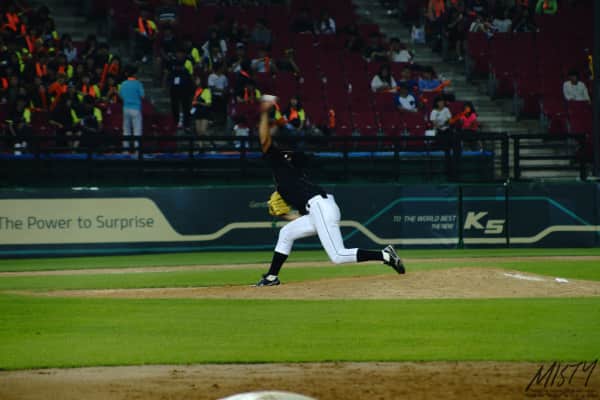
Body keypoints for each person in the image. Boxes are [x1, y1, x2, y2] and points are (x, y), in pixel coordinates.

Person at [254, 96, 405, 286]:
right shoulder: (288, 180)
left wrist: (264, 114)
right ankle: (271, 277)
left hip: (320, 206)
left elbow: (264, 140)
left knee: (338, 255)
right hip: (318, 208)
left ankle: (385, 255)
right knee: (286, 233)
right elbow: (303, 218)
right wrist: (285, 215)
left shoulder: (283, 167)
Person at [118, 65, 145, 152]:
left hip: (126, 108)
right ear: (135, 74)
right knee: (137, 131)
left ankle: (125, 150)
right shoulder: (138, 84)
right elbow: (142, 96)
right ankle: (137, 151)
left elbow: (120, 96)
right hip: (136, 109)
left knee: (126, 130)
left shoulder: (123, 84)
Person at [168, 48, 194, 128]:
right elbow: (168, 73)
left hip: (185, 87)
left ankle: (186, 124)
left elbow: (191, 75)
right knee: (175, 106)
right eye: (178, 53)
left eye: (181, 53)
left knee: (186, 105)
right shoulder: (172, 62)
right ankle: (175, 122)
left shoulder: (188, 63)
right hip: (174, 87)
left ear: (184, 54)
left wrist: (192, 87)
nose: (179, 55)